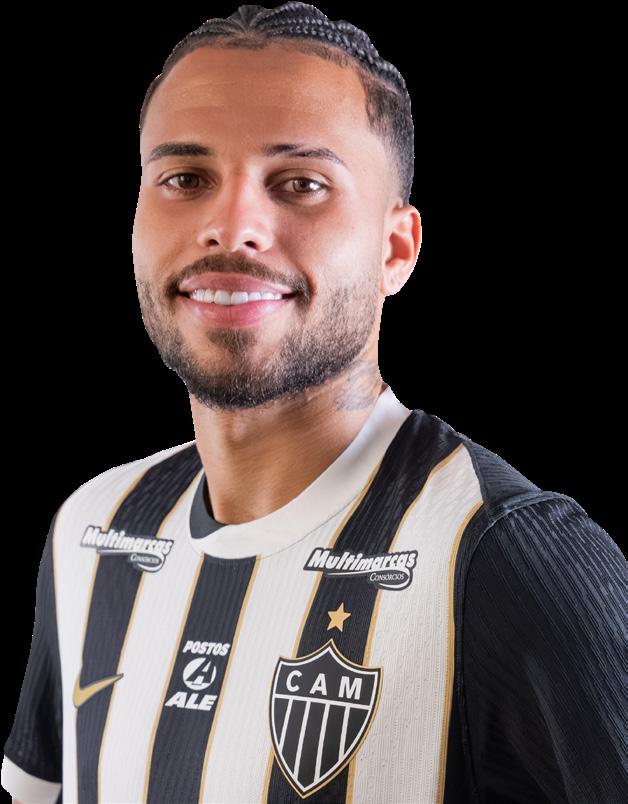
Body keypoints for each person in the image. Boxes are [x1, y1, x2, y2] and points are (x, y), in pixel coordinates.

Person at [3, 4, 626, 802]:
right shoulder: (93, 529)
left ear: (395, 249)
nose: (231, 227)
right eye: (185, 179)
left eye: (300, 184)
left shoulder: (505, 556)